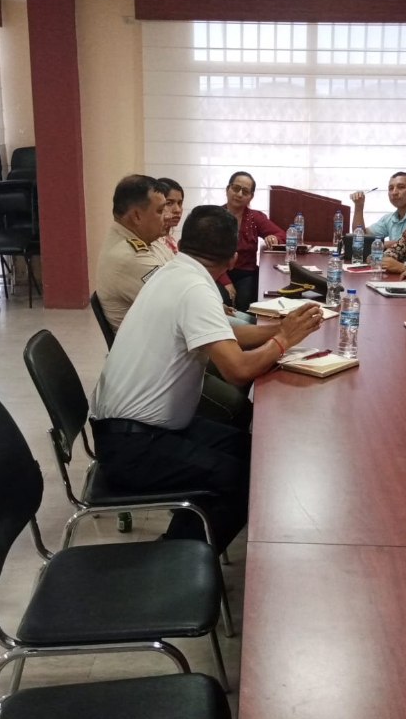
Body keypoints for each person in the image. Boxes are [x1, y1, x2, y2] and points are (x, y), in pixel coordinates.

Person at [90, 206, 323, 553]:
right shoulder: (196, 290)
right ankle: (176, 561)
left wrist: (282, 328)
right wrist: (283, 341)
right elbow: (237, 370)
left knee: (256, 453)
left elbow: (222, 332)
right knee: (245, 480)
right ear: (232, 258)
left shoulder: (174, 273)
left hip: (134, 430)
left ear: (183, 242)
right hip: (133, 447)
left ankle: (182, 543)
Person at [95, 175, 172, 331]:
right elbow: (177, 303)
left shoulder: (148, 238)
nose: (168, 215)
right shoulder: (129, 257)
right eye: (160, 210)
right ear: (136, 216)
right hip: (151, 342)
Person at [219, 172, 287, 313]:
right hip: (218, 272)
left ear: (251, 196)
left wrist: (274, 238)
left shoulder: (255, 217)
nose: (239, 194)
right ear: (227, 189)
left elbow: (282, 235)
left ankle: (245, 326)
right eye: (235, 188)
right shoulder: (214, 216)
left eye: (245, 191)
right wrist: (226, 281)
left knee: (246, 303)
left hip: (246, 273)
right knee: (223, 299)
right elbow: (207, 255)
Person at [349, 171, 406, 247]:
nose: (394, 192)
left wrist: (380, 244)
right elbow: (361, 236)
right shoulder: (390, 218)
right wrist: (359, 205)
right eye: (391, 188)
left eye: (401, 187)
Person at [154, 179, 184, 253]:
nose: (177, 210)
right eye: (169, 203)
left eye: (179, 203)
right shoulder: (151, 242)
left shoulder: (171, 241)